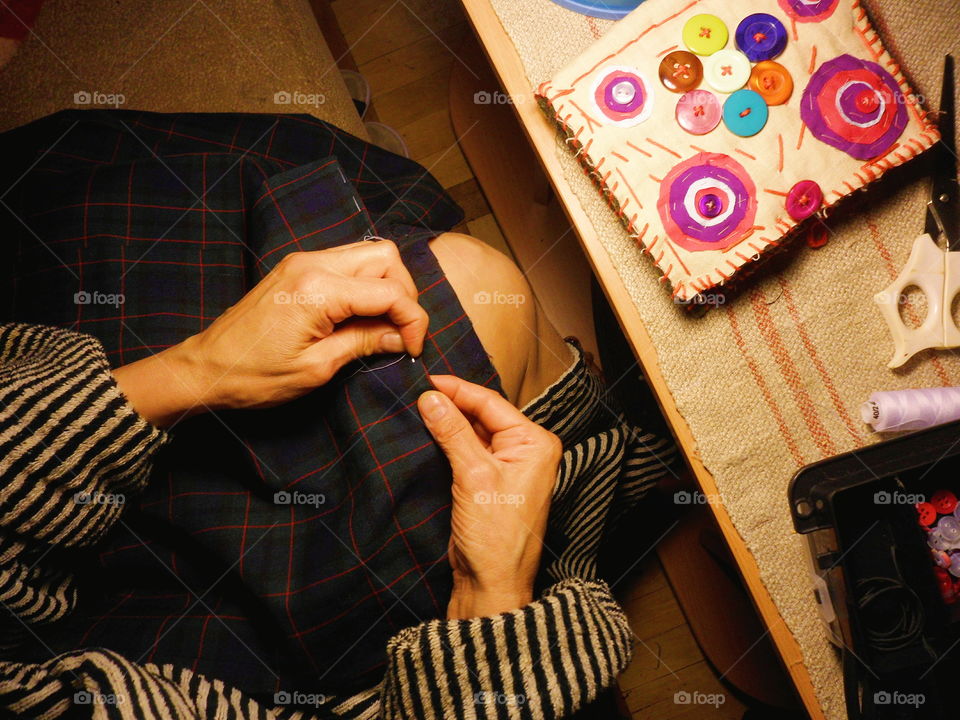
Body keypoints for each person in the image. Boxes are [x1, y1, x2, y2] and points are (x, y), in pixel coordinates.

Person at [0, 110, 677, 718]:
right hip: (229, 666)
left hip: (45, 471)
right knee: (472, 282)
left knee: (216, 182)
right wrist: (489, 594)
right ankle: (606, 423)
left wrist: (198, 367)